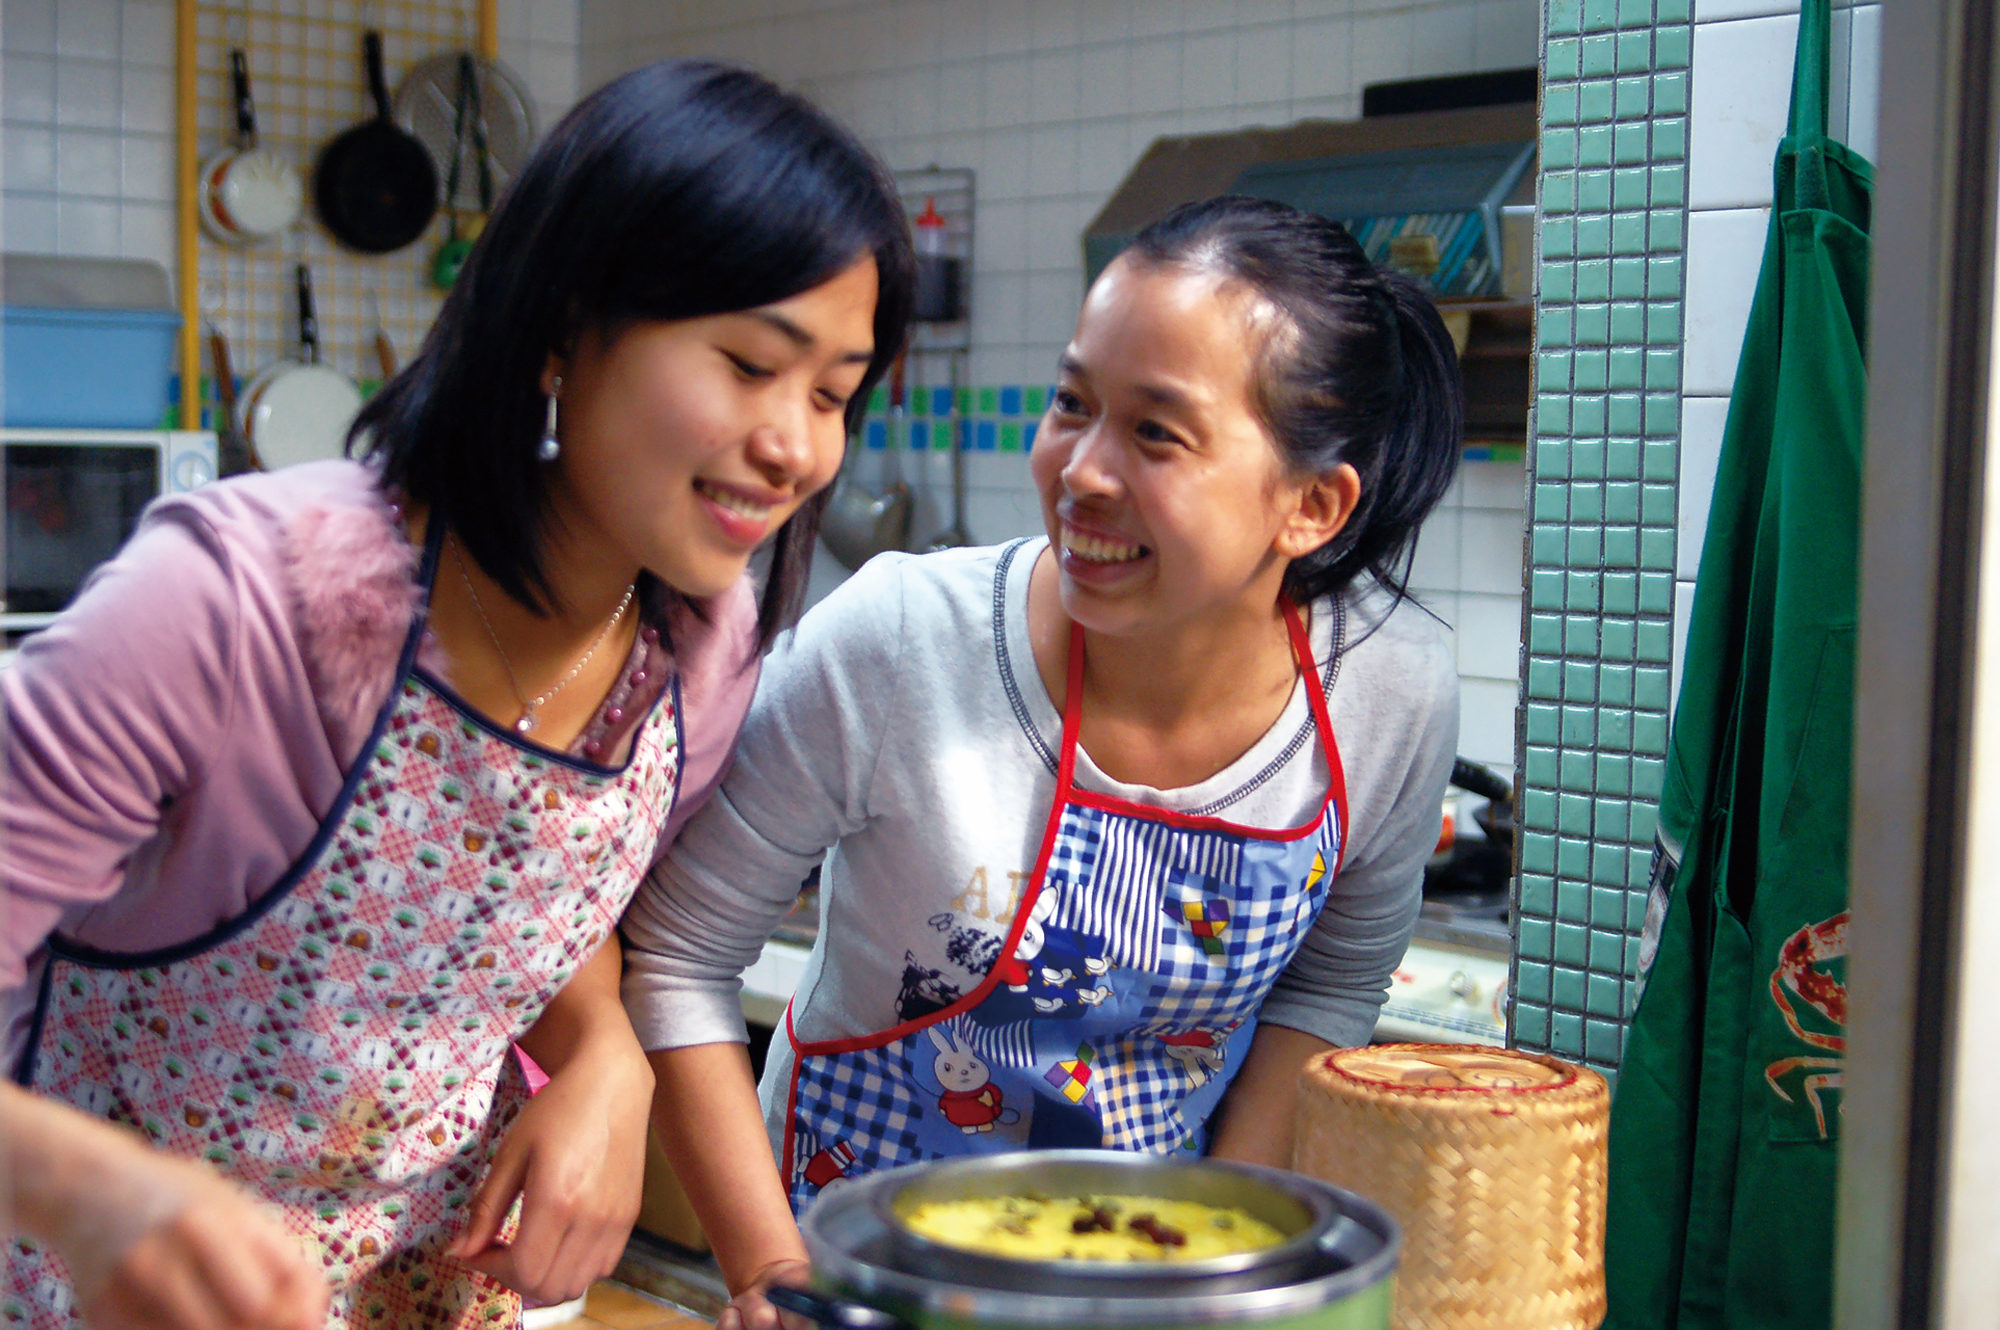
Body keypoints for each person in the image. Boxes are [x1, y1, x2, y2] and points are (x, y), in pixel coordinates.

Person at [1, 61, 914, 1330]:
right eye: (750, 364)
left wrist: (602, 1055)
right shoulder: (232, 601)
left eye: (830, 394)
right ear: (561, 329)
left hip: (428, 1285)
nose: (794, 446)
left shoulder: (699, 654)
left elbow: (534, 899)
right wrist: (90, 1194)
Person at [625, 195, 1465, 1330]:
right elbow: (676, 956)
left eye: (1156, 433)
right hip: (856, 1269)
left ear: (1311, 505)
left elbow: (1331, 987)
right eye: (1073, 403)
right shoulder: (900, 639)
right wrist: (774, 1280)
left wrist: (1218, 1258)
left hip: (1151, 1278)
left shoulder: (1387, 691)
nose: (1082, 472)